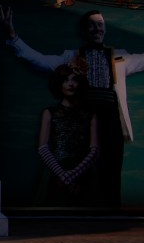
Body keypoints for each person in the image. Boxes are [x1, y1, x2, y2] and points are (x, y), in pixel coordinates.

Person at [0, 6, 144, 206]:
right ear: (83, 31)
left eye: (100, 24)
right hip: (82, 119)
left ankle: (111, 212)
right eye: (91, 25)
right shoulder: (71, 56)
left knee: (111, 167)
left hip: (111, 119)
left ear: (105, 29)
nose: (97, 28)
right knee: (81, 167)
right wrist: (14, 38)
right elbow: (42, 61)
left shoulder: (120, 57)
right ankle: (80, 212)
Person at [36, 64, 101, 206]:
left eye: (75, 80)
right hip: (57, 173)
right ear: (59, 84)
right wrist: (63, 176)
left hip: (83, 176)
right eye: (66, 80)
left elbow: (95, 150)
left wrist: (72, 175)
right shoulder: (49, 113)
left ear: (80, 84)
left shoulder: (90, 114)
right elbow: (42, 148)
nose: (70, 84)